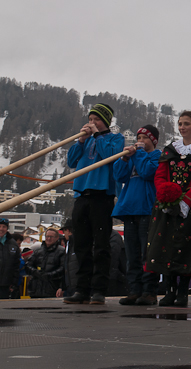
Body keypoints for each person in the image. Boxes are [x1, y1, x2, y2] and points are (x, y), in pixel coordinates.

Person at [147, 110, 191, 307]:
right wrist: (165, 195)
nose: (182, 127)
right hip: (167, 206)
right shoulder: (170, 150)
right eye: (180, 124)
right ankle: (169, 291)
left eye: (186, 124)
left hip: (190, 207)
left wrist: (186, 201)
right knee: (165, 246)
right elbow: (160, 176)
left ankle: (183, 292)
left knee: (186, 249)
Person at [64, 103, 124, 305]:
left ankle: (98, 289)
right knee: (80, 244)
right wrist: (80, 140)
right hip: (82, 195)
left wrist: (97, 135)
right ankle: (81, 289)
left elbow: (110, 156)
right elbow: (72, 161)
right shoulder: (86, 140)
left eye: (95, 120)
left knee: (101, 246)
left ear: (105, 122)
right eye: (90, 119)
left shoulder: (116, 138)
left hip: (102, 196)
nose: (91, 123)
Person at [113, 125, 162, 306]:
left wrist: (139, 153)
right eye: (138, 137)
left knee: (147, 253)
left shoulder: (157, 156)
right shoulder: (133, 158)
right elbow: (119, 176)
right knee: (132, 254)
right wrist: (125, 158)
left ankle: (149, 291)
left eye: (145, 138)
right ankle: (134, 289)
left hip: (147, 210)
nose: (140, 141)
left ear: (153, 141)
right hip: (129, 210)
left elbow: (148, 172)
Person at [25, 228, 66, 298]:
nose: (49, 239)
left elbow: (63, 268)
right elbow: (28, 265)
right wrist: (36, 272)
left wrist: (50, 275)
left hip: (52, 287)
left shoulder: (61, 251)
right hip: (36, 288)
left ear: (57, 238)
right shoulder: (38, 251)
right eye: (47, 236)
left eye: (51, 237)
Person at [0, 218, 21, 299]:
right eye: (0, 226)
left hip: (5, 284)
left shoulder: (13, 244)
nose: (1, 229)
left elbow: (16, 265)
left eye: (4, 227)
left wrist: (13, 283)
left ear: (7, 228)